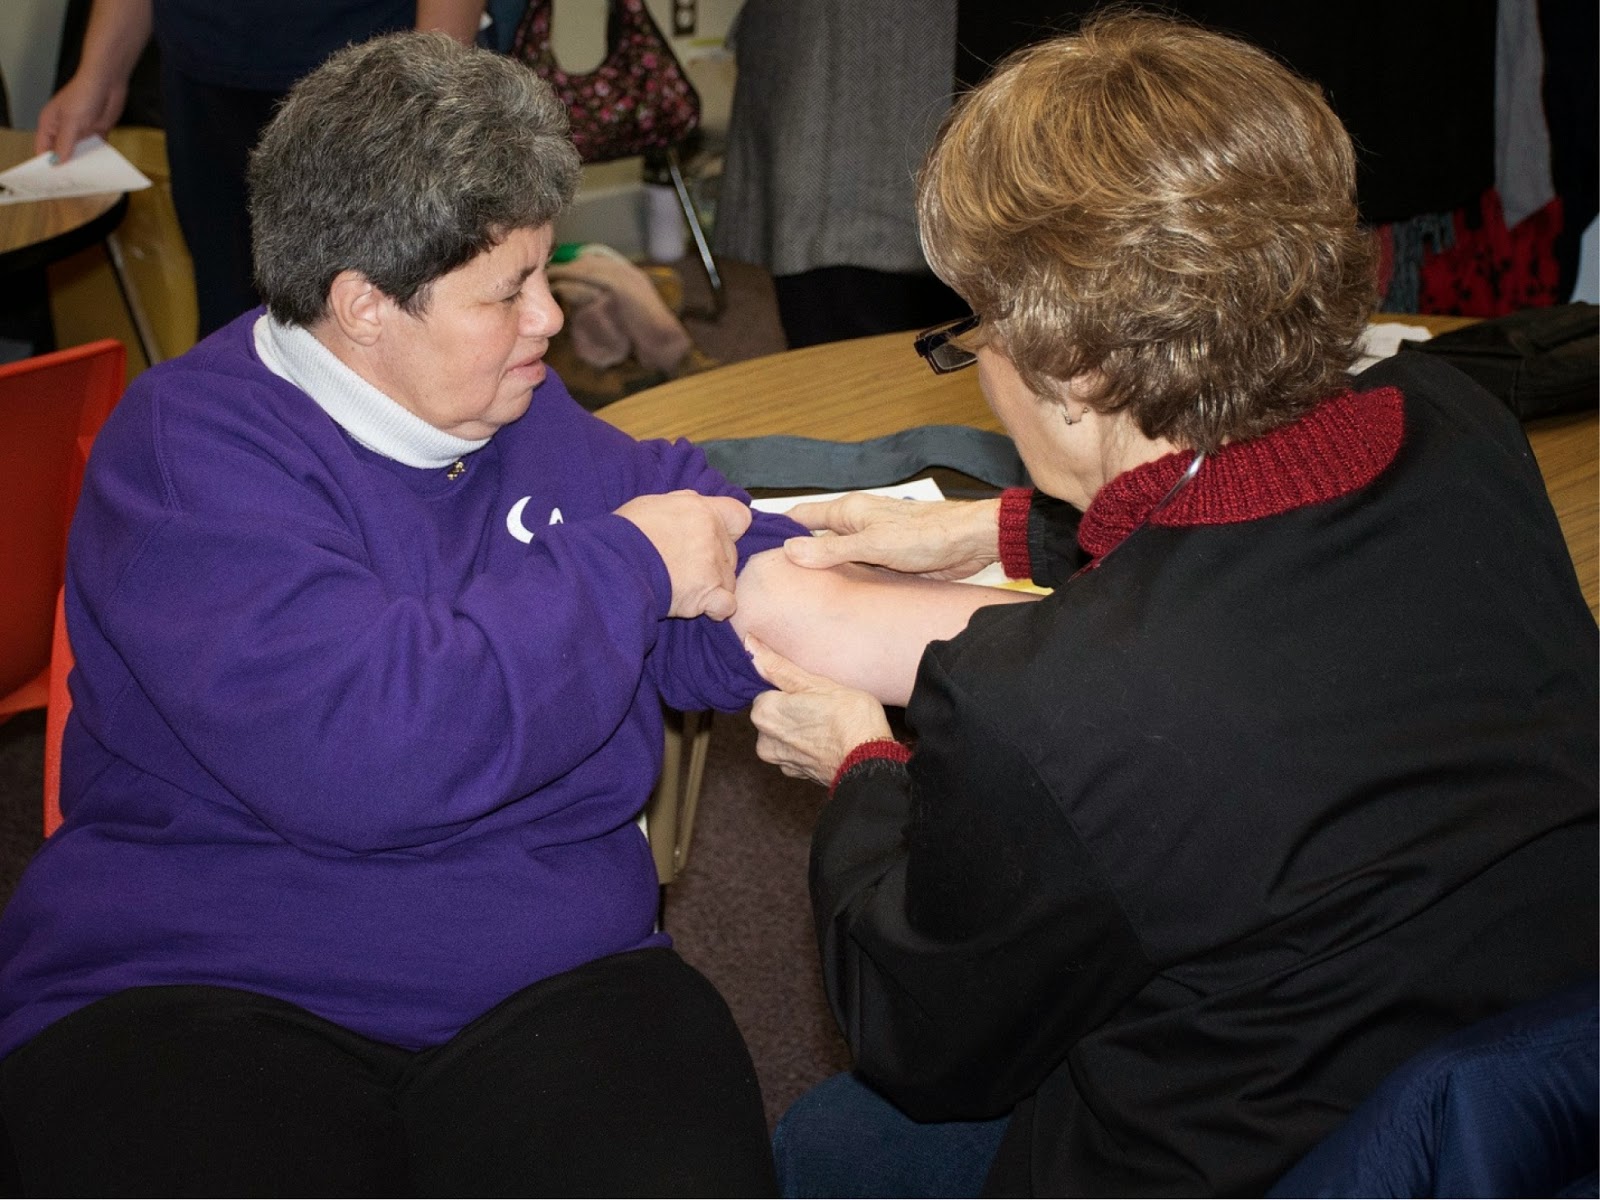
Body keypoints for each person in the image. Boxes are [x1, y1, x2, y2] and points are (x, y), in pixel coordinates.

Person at [0, 32, 1023, 1195]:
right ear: (363, 305)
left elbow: (780, 593)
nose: (549, 318)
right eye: (507, 290)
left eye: (545, 272)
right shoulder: (187, 454)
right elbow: (373, 753)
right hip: (206, 977)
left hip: (551, 975)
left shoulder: (523, 415)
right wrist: (629, 566)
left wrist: (1082, 642)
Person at [743, 12, 1599, 1196]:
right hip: (1532, 1056)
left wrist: (860, 770)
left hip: (1258, 1154)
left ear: (1078, 368)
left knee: (831, 1141)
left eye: (976, 327)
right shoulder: (1456, 425)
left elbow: (924, 1042)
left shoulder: (1045, 706)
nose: (979, 362)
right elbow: (1261, 545)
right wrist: (998, 528)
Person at [36, 1, 487, 338]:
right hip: (203, 73)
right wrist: (99, 72)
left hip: (368, 81)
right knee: (228, 321)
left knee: (370, 327)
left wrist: (431, 91)